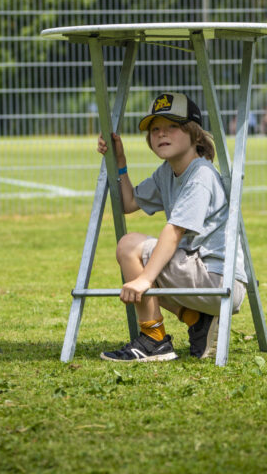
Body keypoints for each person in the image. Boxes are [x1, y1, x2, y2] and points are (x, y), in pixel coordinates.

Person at [96, 92, 247, 362]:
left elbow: (174, 231)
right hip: (200, 276)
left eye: (172, 126)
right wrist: (120, 162)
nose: (161, 134)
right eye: (155, 129)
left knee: (130, 246)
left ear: (195, 134)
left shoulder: (200, 175)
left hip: (219, 280)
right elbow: (128, 203)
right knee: (140, 259)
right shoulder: (167, 172)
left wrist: (144, 279)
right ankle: (196, 319)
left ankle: (153, 339)